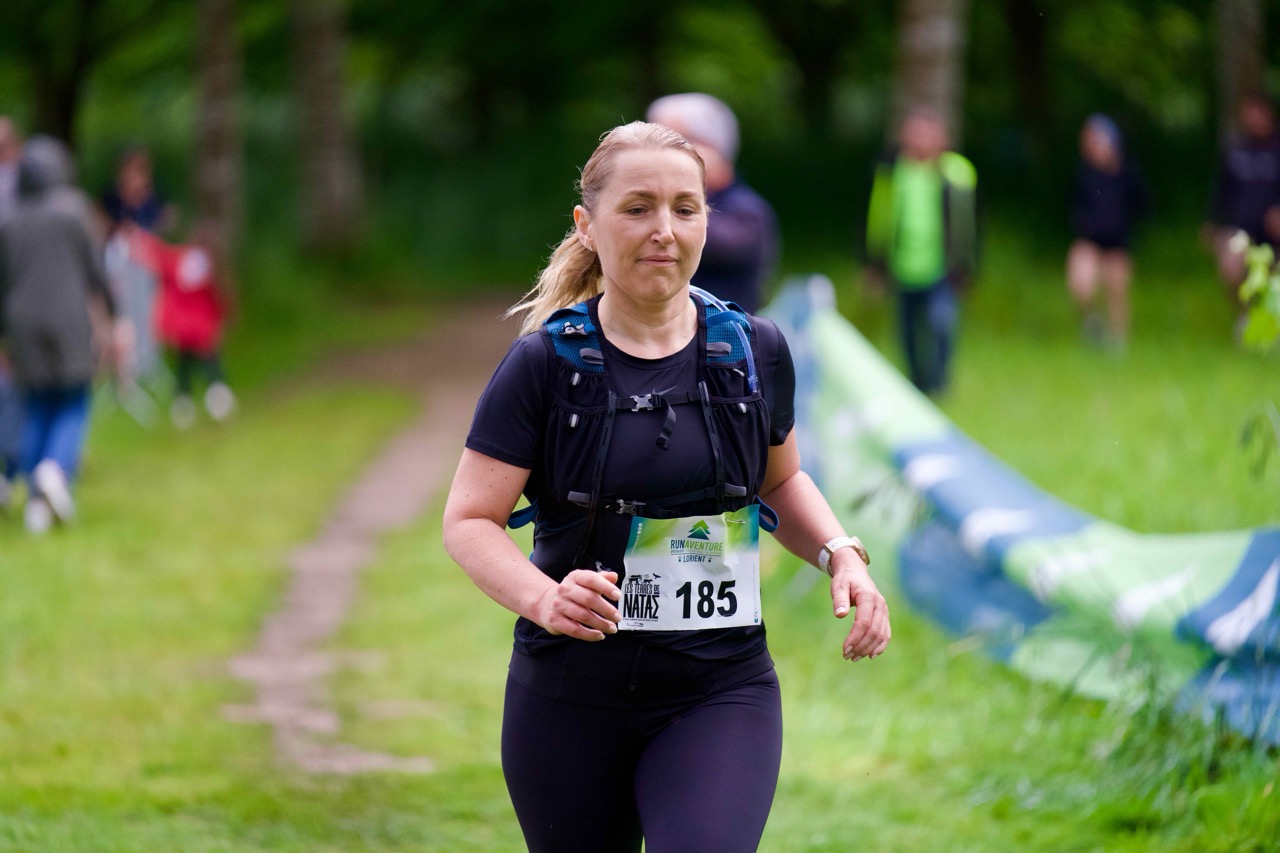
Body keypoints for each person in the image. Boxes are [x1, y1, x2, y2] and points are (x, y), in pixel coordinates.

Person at [442, 121, 889, 852]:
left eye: (685, 209)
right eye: (638, 208)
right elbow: (468, 520)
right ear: (587, 225)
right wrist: (545, 599)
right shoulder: (543, 365)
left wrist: (841, 552)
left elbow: (781, 481)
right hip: (569, 695)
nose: (664, 230)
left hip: (721, 689)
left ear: (708, 220)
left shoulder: (753, 350)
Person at [0, 136, 119, 533]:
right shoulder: (74, 212)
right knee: (72, 400)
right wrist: (115, 317)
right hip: (68, 321)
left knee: (35, 405)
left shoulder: (8, 219)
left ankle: (36, 506)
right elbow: (96, 272)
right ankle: (53, 470)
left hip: (21, 325)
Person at [865, 108, 978, 395]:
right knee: (907, 330)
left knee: (941, 323)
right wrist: (875, 263)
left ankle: (939, 381)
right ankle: (916, 380)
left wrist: (966, 266)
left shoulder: (957, 172)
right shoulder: (891, 171)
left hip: (942, 267)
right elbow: (877, 218)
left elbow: (971, 223)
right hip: (902, 265)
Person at [646, 93, 779, 314]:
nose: (655, 155)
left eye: (673, 143)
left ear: (712, 149)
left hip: (724, 332)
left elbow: (707, 240)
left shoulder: (746, 212)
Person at [121, 220, 236, 428]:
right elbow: (219, 298)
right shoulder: (210, 267)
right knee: (210, 365)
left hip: (184, 328)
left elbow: (159, 257)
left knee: (186, 366)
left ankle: (184, 407)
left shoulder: (180, 260)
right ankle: (216, 402)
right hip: (200, 328)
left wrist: (139, 241)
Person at [1066, 114, 1147, 349]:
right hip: (1089, 240)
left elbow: (1143, 205)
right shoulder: (1084, 174)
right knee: (1081, 284)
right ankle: (1092, 322)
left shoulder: (1128, 174)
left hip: (1119, 243)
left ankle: (1117, 343)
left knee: (1117, 292)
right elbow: (1073, 204)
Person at [1207, 95, 1280, 325]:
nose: (1253, 121)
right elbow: (1222, 189)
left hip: (1274, 230)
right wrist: (1212, 221)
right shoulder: (1235, 150)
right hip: (1242, 228)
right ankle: (1245, 316)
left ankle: (1271, 320)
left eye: (1257, 114)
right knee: (1230, 263)